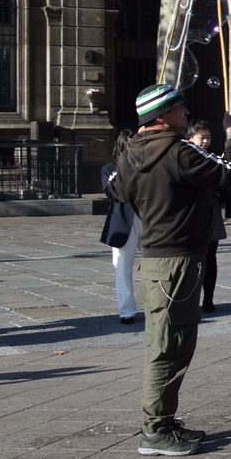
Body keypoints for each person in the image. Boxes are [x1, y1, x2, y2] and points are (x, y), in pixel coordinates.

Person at [108, 84, 231, 455]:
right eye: (180, 108)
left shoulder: (132, 152)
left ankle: (162, 422)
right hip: (178, 260)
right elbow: (229, 172)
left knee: (166, 343)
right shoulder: (179, 150)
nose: (186, 113)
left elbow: (115, 189)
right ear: (162, 116)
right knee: (169, 348)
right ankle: (155, 431)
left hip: (155, 259)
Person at [185, 120, 231, 315]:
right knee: (192, 259)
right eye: (201, 137)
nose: (205, 141)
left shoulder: (214, 157)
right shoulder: (186, 157)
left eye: (208, 137)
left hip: (211, 210)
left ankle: (208, 298)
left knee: (210, 258)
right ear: (191, 138)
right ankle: (192, 298)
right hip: (192, 214)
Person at [100, 130, 141, 326]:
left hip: (146, 218)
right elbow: (112, 193)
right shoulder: (109, 169)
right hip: (123, 221)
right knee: (122, 267)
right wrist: (124, 166)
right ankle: (127, 311)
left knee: (157, 263)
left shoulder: (144, 165)